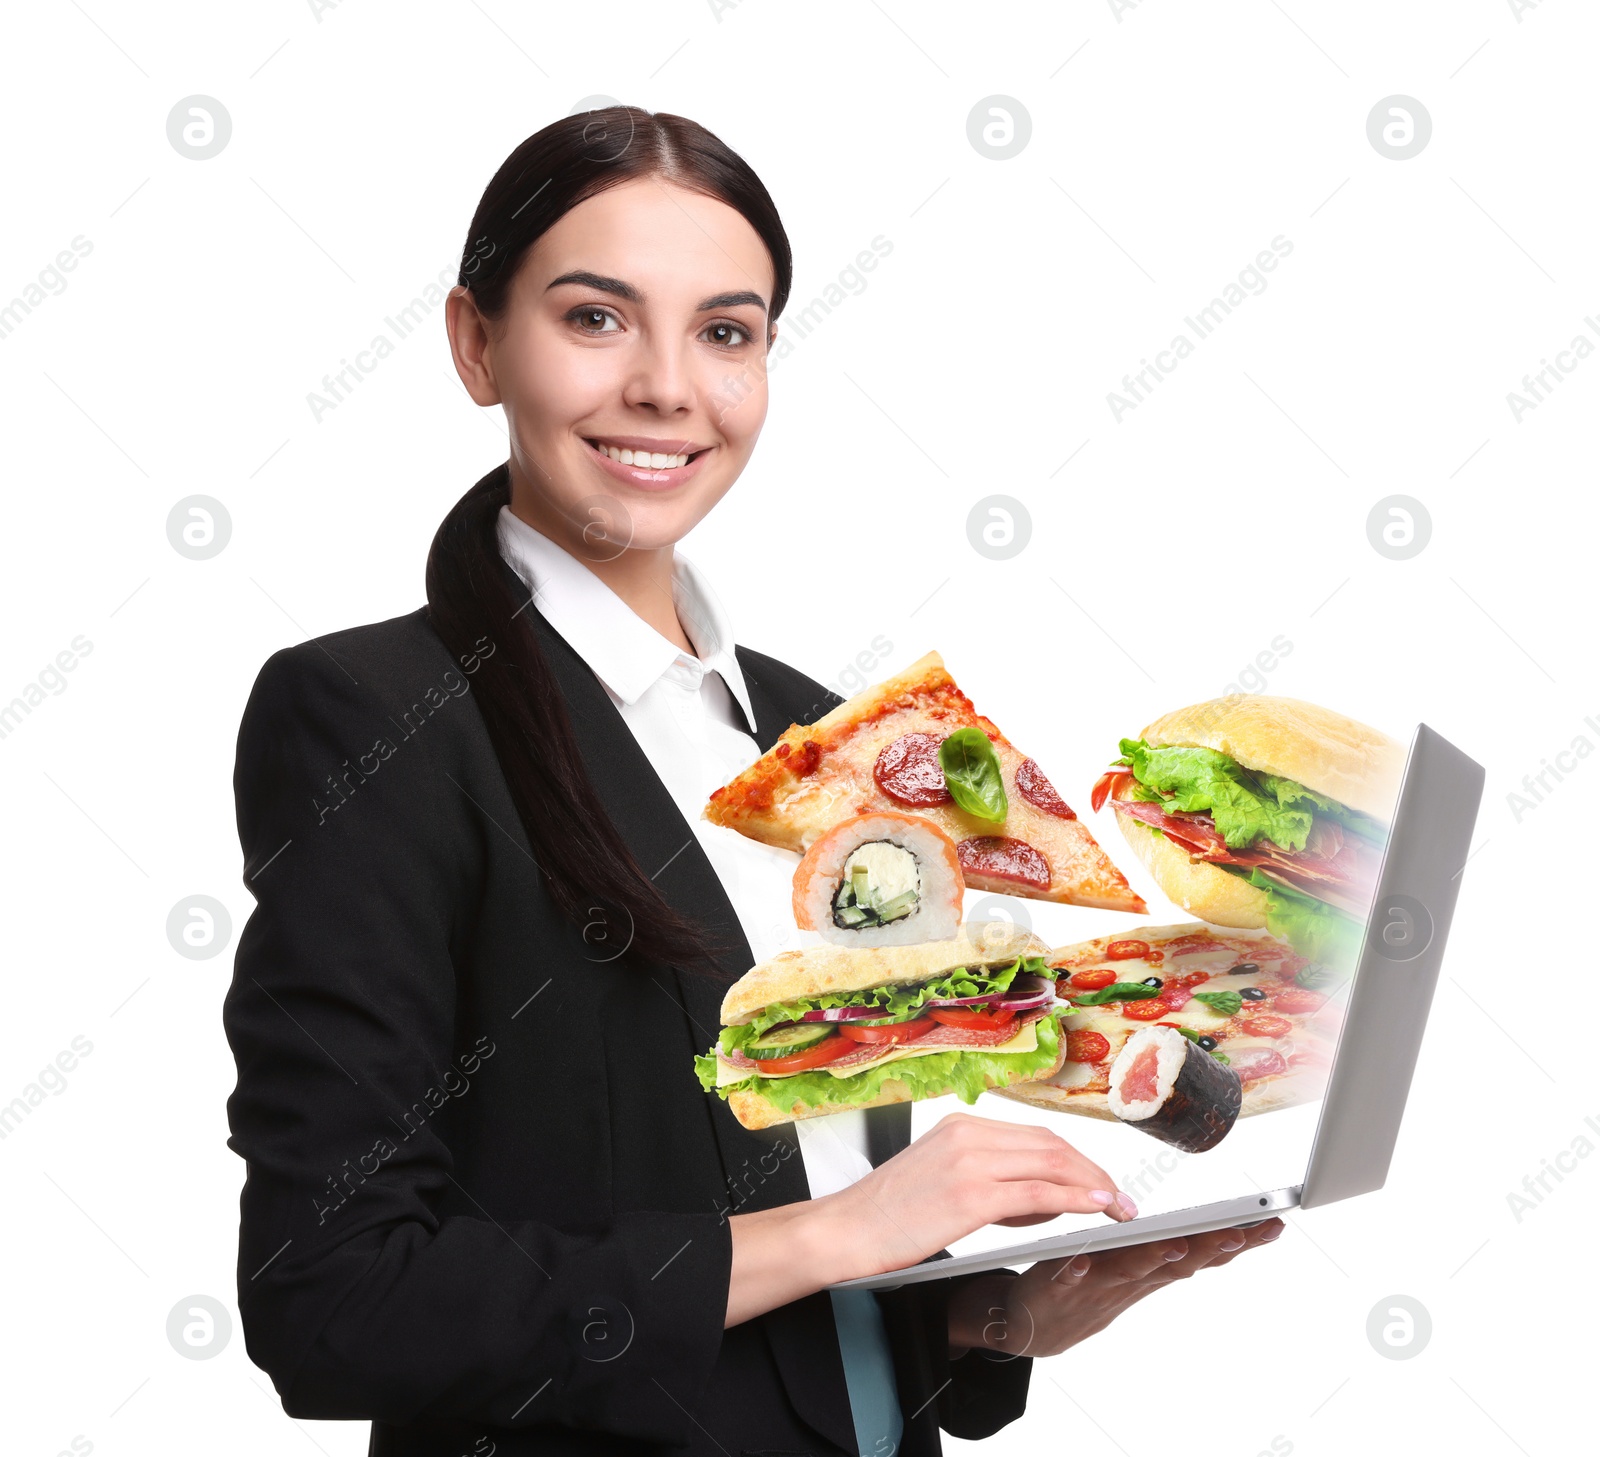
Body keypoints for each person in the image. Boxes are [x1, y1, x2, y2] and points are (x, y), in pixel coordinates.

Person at [222, 105, 1282, 1457]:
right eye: (597, 318)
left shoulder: (816, 735)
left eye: (725, 331)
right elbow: (335, 1298)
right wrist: (842, 1231)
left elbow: (793, 1255)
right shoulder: (376, 718)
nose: (669, 385)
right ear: (476, 345)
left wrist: (985, 1323)